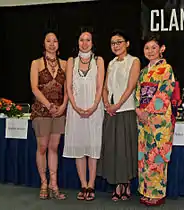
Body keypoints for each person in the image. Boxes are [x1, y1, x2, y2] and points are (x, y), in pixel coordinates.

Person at [97, 30, 140, 201]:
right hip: (111, 112)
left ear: (127, 43)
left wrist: (117, 105)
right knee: (113, 149)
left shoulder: (134, 61)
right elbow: (106, 86)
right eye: (113, 43)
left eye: (119, 42)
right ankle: (116, 184)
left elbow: (130, 87)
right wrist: (107, 103)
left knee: (125, 149)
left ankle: (126, 182)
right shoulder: (112, 63)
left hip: (126, 110)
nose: (116, 46)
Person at [63, 29, 105, 201]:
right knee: (80, 147)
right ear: (77, 42)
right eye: (82, 40)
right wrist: (75, 106)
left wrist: (94, 105)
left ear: (93, 42)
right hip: (76, 110)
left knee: (93, 147)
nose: (85, 43)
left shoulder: (99, 60)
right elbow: (68, 87)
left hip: (95, 110)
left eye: (88, 40)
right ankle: (83, 184)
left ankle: (91, 185)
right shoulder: (71, 61)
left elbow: (100, 86)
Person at [135, 34, 175, 206]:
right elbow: (137, 93)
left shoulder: (166, 69)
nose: (150, 51)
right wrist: (138, 109)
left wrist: (147, 111)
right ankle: (145, 190)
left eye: (154, 47)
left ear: (161, 49)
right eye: (147, 48)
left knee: (157, 155)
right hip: (143, 120)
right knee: (144, 156)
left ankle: (157, 193)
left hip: (159, 120)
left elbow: (164, 93)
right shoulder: (143, 72)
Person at [30, 31, 68, 200]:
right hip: (41, 111)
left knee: (54, 148)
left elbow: (68, 89)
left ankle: (54, 184)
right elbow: (34, 88)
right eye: (48, 41)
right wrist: (48, 105)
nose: (52, 44)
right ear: (44, 43)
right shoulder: (36, 63)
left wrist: (63, 106)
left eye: (55, 41)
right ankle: (43, 182)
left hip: (59, 112)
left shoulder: (66, 64)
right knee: (43, 147)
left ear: (58, 44)